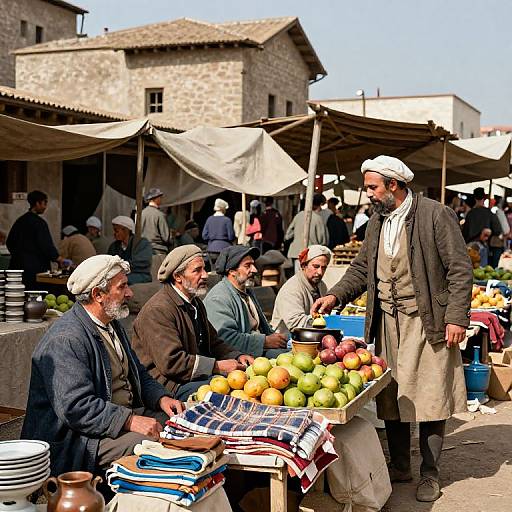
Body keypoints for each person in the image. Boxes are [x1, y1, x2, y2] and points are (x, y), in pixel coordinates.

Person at [311, 155, 472, 503]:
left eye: (371, 187)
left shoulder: (434, 215)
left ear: (393, 186)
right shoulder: (377, 222)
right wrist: (335, 295)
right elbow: (360, 269)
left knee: (431, 398)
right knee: (392, 396)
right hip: (387, 323)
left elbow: (460, 269)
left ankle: (430, 473)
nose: (367, 193)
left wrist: (457, 317)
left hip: (427, 322)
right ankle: (400, 466)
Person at [21, 255, 183, 476]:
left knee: (180, 427)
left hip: (114, 421)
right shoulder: (66, 339)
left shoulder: (111, 323)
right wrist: (129, 420)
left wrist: (161, 398)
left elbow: (137, 372)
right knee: (151, 447)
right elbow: (76, 407)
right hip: (77, 440)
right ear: (98, 294)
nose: (130, 293)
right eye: (122, 287)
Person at [132, 245, 253, 400]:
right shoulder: (158, 310)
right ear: (177, 276)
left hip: (195, 377)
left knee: (246, 385)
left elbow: (214, 342)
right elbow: (172, 362)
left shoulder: (195, 302)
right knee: (229, 396)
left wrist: (237, 355)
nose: (205, 275)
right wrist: (217, 367)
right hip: (168, 386)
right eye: (197, 270)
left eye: (204, 269)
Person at [204, 246, 288, 358]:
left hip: (257, 350)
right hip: (241, 357)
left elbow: (263, 328)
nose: (254, 270)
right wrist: (264, 342)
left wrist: (276, 338)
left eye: (253, 265)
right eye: (247, 266)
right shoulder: (218, 298)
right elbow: (225, 339)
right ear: (232, 271)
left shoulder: (247, 292)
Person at [6, 190, 62, 288]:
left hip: (17, 269)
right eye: (44, 203)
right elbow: (46, 245)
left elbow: (9, 242)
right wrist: (58, 258)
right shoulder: (40, 223)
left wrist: (19, 256)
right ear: (37, 203)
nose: (45, 207)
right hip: (36, 271)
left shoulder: (20, 221)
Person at [271, 245, 331, 331]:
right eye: (316, 266)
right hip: (286, 339)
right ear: (303, 266)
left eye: (323, 268)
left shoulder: (321, 285)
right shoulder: (291, 289)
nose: (320, 272)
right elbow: (295, 324)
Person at [285, 194, 329, 272]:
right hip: (312, 254)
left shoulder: (298, 215)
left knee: (298, 278)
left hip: (297, 253)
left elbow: (288, 235)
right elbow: (323, 240)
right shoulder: (318, 219)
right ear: (319, 206)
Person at [108, 216, 152, 285]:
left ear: (126, 230)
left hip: (140, 275)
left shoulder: (142, 243)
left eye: (116, 231)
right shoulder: (114, 246)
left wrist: (122, 266)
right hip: (120, 275)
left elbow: (143, 261)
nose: (114, 233)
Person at [141, 188, 174, 255]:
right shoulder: (160, 215)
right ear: (157, 198)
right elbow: (166, 237)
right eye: (160, 198)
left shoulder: (141, 213)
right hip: (158, 251)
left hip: (143, 249)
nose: (161, 200)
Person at [202, 198, 235, 264]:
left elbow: (204, 236)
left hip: (211, 249)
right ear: (223, 209)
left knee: (212, 270)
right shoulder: (227, 220)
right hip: (225, 248)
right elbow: (231, 236)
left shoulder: (209, 219)